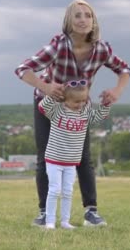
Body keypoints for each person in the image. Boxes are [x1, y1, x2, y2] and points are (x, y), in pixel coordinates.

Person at [14, 0, 130, 227]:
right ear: (68, 21)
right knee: (45, 158)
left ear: (94, 21)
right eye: (77, 15)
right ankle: (44, 213)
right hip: (49, 107)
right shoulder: (58, 46)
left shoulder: (101, 49)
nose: (83, 20)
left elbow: (124, 70)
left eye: (88, 15)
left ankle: (91, 212)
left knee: (83, 158)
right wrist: (46, 87)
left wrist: (116, 91)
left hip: (78, 108)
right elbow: (23, 69)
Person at [38, 80, 111, 229]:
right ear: (66, 99)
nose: (81, 104)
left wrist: (106, 104)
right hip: (54, 159)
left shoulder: (84, 113)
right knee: (54, 190)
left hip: (71, 161)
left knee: (67, 192)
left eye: (84, 100)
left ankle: (65, 222)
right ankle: (50, 222)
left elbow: (98, 116)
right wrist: (52, 95)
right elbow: (42, 107)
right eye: (77, 101)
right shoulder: (58, 111)